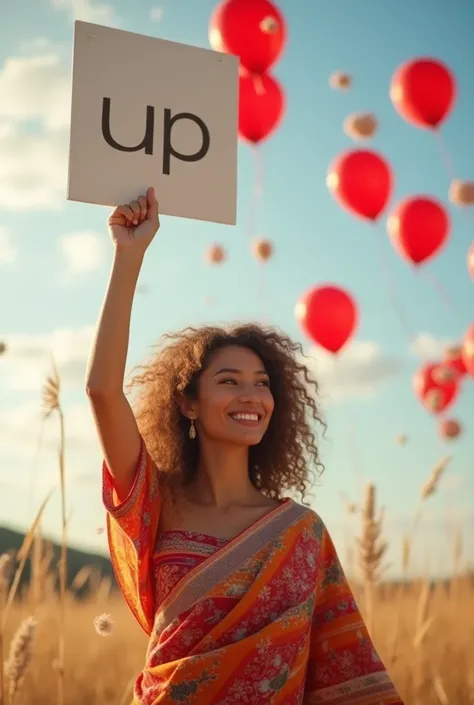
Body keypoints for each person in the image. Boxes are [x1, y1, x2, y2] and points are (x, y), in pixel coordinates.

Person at [86, 188, 404, 705]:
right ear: (188, 403)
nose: (251, 396)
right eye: (229, 381)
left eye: (261, 382)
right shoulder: (156, 501)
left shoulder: (300, 534)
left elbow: (346, 675)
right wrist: (129, 255)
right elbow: (101, 391)